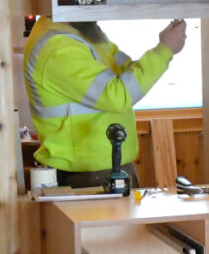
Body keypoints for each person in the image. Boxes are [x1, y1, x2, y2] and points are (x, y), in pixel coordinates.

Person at [23, 16, 187, 188]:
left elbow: (126, 75)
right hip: (85, 179)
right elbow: (118, 95)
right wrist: (164, 50)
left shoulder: (83, 33)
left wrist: (163, 49)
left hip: (106, 171)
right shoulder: (57, 47)